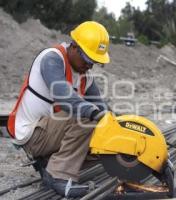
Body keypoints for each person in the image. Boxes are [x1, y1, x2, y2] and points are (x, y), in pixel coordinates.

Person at [7, 21, 110, 197]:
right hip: (34, 134)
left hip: (51, 133)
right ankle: (58, 174)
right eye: (88, 59)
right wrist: (95, 114)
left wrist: (121, 127)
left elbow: (103, 109)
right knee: (87, 115)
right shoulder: (52, 59)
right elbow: (64, 97)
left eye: (95, 62)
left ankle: (50, 164)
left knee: (105, 142)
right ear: (75, 47)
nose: (90, 65)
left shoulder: (86, 76)